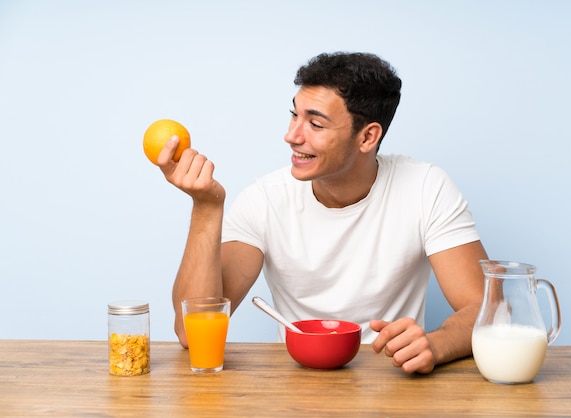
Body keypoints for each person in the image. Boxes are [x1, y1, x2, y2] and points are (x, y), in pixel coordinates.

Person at [158, 52, 488, 374]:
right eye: (294, 115)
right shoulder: (266, 199)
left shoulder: (425, 187)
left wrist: (436, 344)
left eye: (315, 123)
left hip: (390, 378)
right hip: (294, 384)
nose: (291, 136)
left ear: (368, 136)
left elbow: (486, 309)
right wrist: (206, 207)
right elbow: (190, 333)